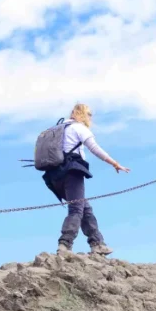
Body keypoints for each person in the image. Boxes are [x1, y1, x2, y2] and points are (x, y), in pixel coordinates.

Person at [42, 103, 130, 256]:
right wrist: (115, 163)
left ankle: (97, 243)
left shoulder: (59, 129)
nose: (91, 118)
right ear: (83, 114)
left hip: (54, 176)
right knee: (76, 208)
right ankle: (65, 244)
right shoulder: (79, 128)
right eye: (89, 114)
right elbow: (95, 148)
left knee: (85, 208)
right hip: (72, 172)